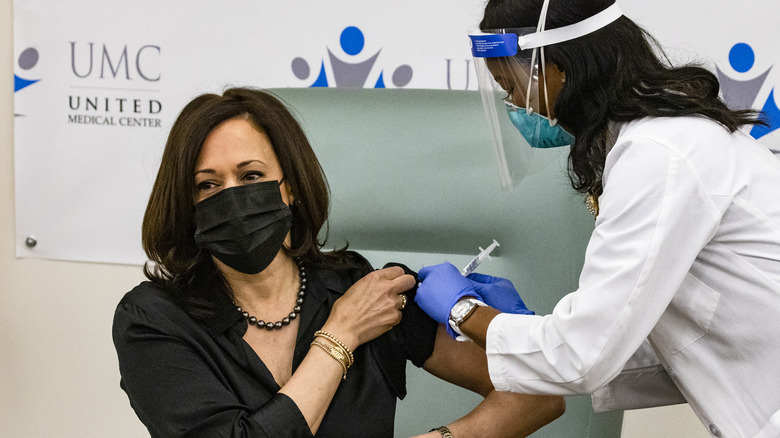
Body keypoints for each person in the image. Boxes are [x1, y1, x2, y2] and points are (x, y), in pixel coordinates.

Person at [414, 0, 780, 437]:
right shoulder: (666, 137)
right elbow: (691, 338)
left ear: (558, 68)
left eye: (510, 84)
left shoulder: (659, 155)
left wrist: (463, 312)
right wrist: (534, 331)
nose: (513, 102)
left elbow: (583, 357)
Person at [112, 87, 564, 438]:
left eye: (251, 176)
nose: (232, 197)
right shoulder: (155, 320)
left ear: (289, 188)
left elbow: (539, 392)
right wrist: (340, 333)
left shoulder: (361, 290)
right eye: (208, 185)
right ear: (186, 203)